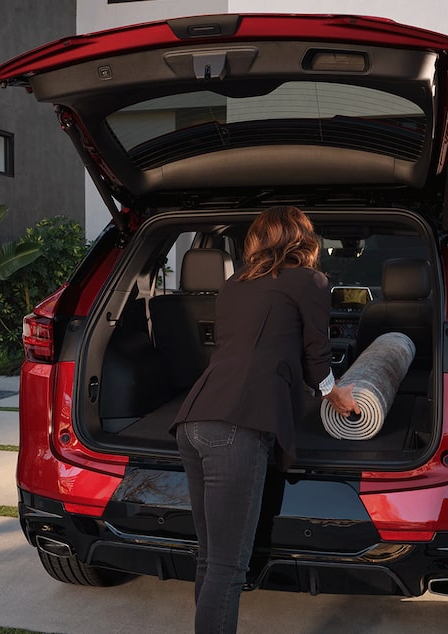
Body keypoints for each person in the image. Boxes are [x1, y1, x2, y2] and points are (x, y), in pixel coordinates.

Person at [172, 206, 359, 633]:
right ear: (301, 239)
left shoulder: (235, 283)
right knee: (227, 567)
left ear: (258, 239)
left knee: (209, 558)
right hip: (236, 427)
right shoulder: (309, 281)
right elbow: (317, 354)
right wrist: (336, 394)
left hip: (193, 421)